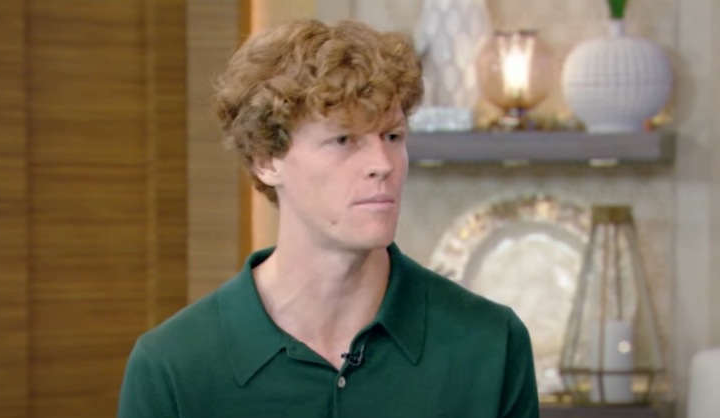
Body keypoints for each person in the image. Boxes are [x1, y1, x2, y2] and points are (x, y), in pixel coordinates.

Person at [117, 18, 539, 418]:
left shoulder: (491, 344)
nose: (382, 164)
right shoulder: (173, 368)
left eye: (392, 136)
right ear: (267, 160)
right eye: (344, 140)